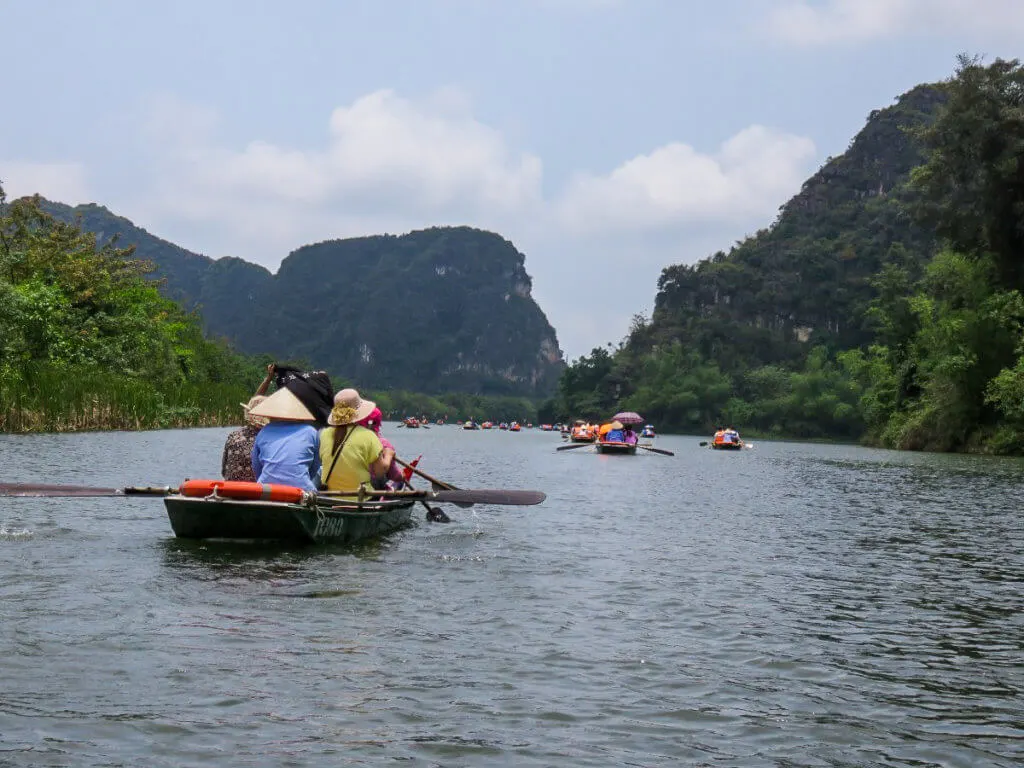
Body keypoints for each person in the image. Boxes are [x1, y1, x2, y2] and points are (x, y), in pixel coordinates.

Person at [319, 388, 395, 494]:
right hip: (361, 497)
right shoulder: (368, 436)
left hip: (329, 495)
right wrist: (388, 455)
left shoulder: (324, 434)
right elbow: (379, 472)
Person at [248, 385, 322, 492]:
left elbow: (256, 466)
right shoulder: (310, 431)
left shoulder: (264, 431)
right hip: (301, 489)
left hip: (267, 489)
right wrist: (300, 480)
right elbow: (315, 467)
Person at [221, 363, 276, 482]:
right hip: (256, 491)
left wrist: (268, 379)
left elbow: (224, 471)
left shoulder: (233, 436)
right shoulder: (270, 441)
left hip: (231, 489)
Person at [355, 405, 408, 490]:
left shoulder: (351, 440)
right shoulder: (384, 444)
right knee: (399, 481)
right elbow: (394, 475)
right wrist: (402, 476)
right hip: (373, 488)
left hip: (351, 484)